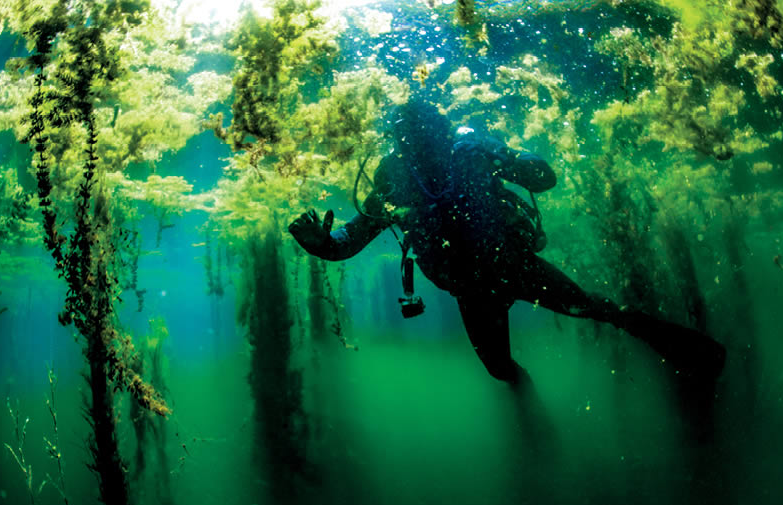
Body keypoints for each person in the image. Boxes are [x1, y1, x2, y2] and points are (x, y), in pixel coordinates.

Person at [289, 98, 725, 388]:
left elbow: (543, 178)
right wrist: (321, 242)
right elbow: (349, 240)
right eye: (411, 137)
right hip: (478, 286)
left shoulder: (469, 153)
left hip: (509, 268)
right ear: (402, 142)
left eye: (424, 134)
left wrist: (510, 157)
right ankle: (532, 420)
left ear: (438, 130)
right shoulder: (397, 177)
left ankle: (689, 352)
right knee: (512, 362)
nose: (420, 144)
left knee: (588, 309)